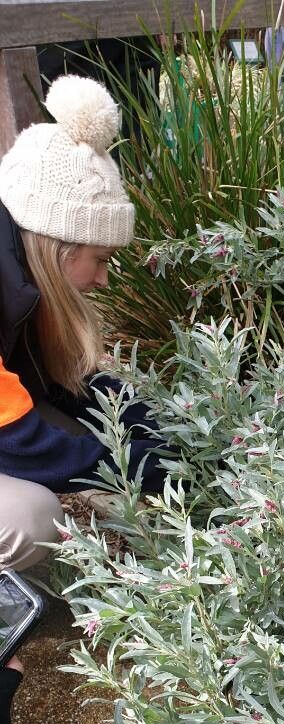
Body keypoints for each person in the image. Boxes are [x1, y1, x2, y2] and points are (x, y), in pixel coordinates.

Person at [0, 74, 168, 576]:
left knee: (82, 427)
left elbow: (53, 378)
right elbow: (20, 441)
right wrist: (138, 465)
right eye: (99, 259)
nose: (103, 277)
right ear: (58, 246)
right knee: (30, 520)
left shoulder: (18, 263)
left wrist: (143, 422)